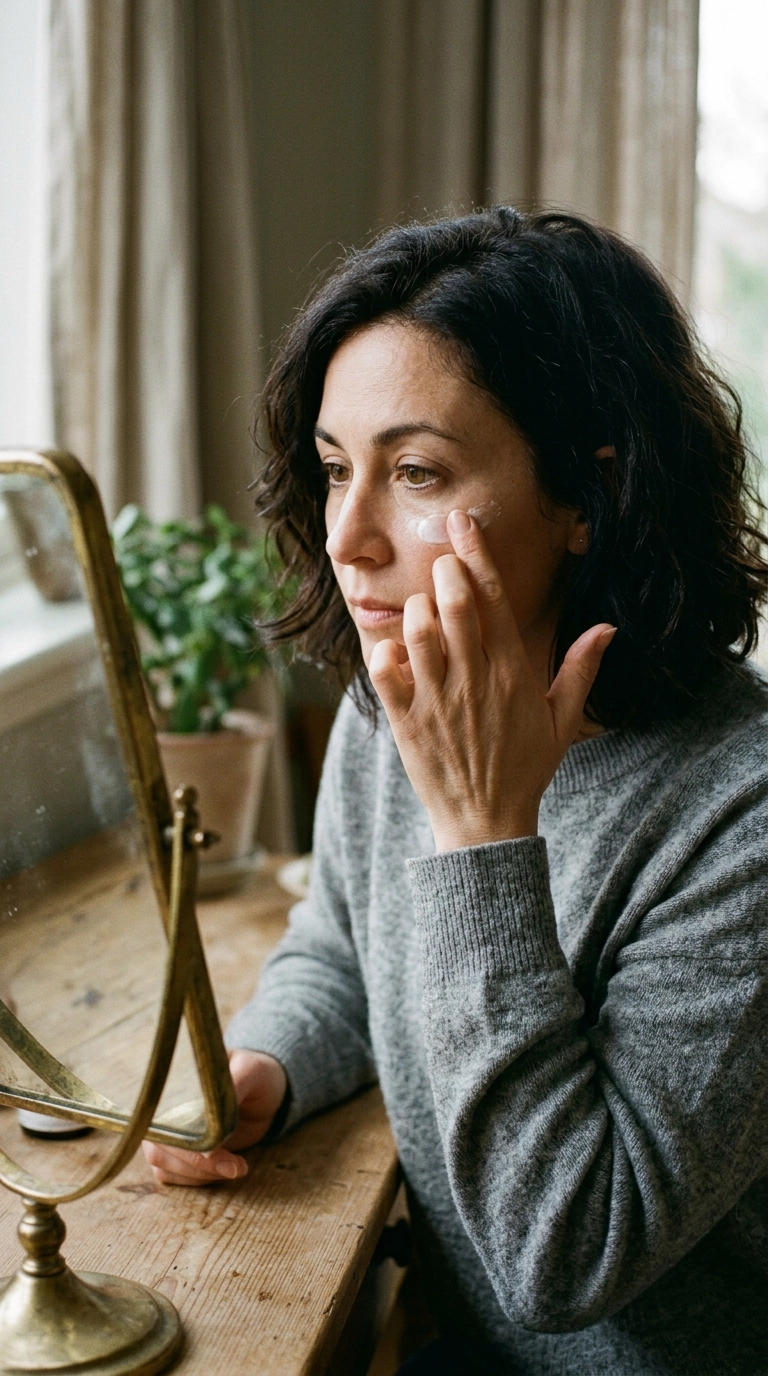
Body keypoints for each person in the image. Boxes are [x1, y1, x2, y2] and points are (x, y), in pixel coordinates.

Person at [144, 209, 768, 1375]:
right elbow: (346, 942)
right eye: (337, 468)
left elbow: (563, 1257)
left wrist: (484, 834)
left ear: (586, 494)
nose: (347, 535)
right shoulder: (396, 698)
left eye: (416, 471)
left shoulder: (743, 815)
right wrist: (270, 1062)